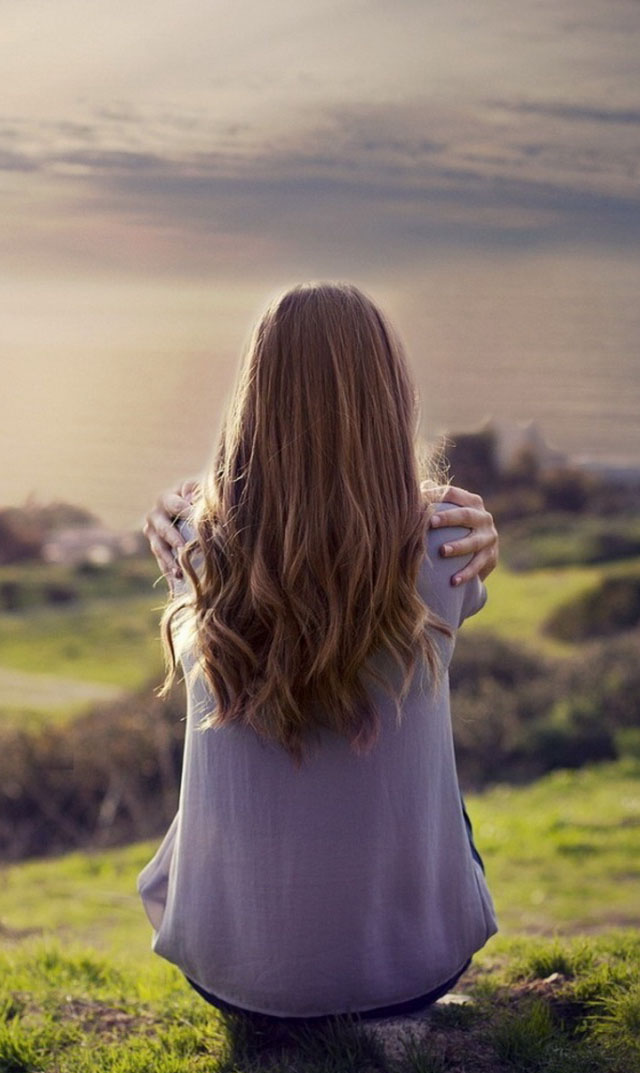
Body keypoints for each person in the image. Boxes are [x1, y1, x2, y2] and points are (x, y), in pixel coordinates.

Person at [137, 281, 499, 1025]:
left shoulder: (197, 547)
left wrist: (180, 512)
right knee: (444, 803)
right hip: (409, 976)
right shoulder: (443, 545)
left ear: (253, 400)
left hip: (231, 976)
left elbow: (222, 517)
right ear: (388, 397)